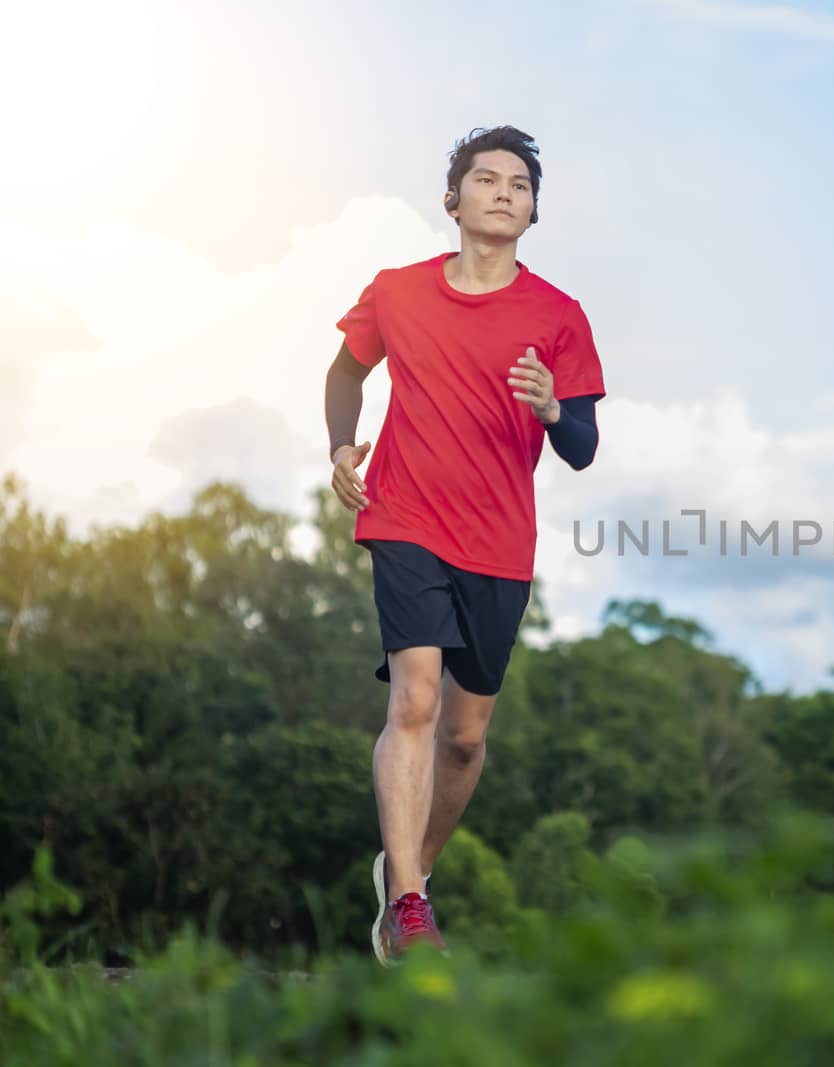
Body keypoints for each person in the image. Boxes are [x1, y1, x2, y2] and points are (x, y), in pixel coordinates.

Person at [322, 125, 606, 966]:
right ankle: (409, 906)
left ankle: (408, 876)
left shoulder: (558, 316)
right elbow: (347, 371)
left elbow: (584, 444)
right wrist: (343, 444)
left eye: (519, 184)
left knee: (466, 736)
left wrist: (555, 406)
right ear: (453, 200)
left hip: (499, 541)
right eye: (486, 179)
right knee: (413, 701)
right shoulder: (399, 292)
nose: (503, 192)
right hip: (405, 516)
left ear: (532, 211)